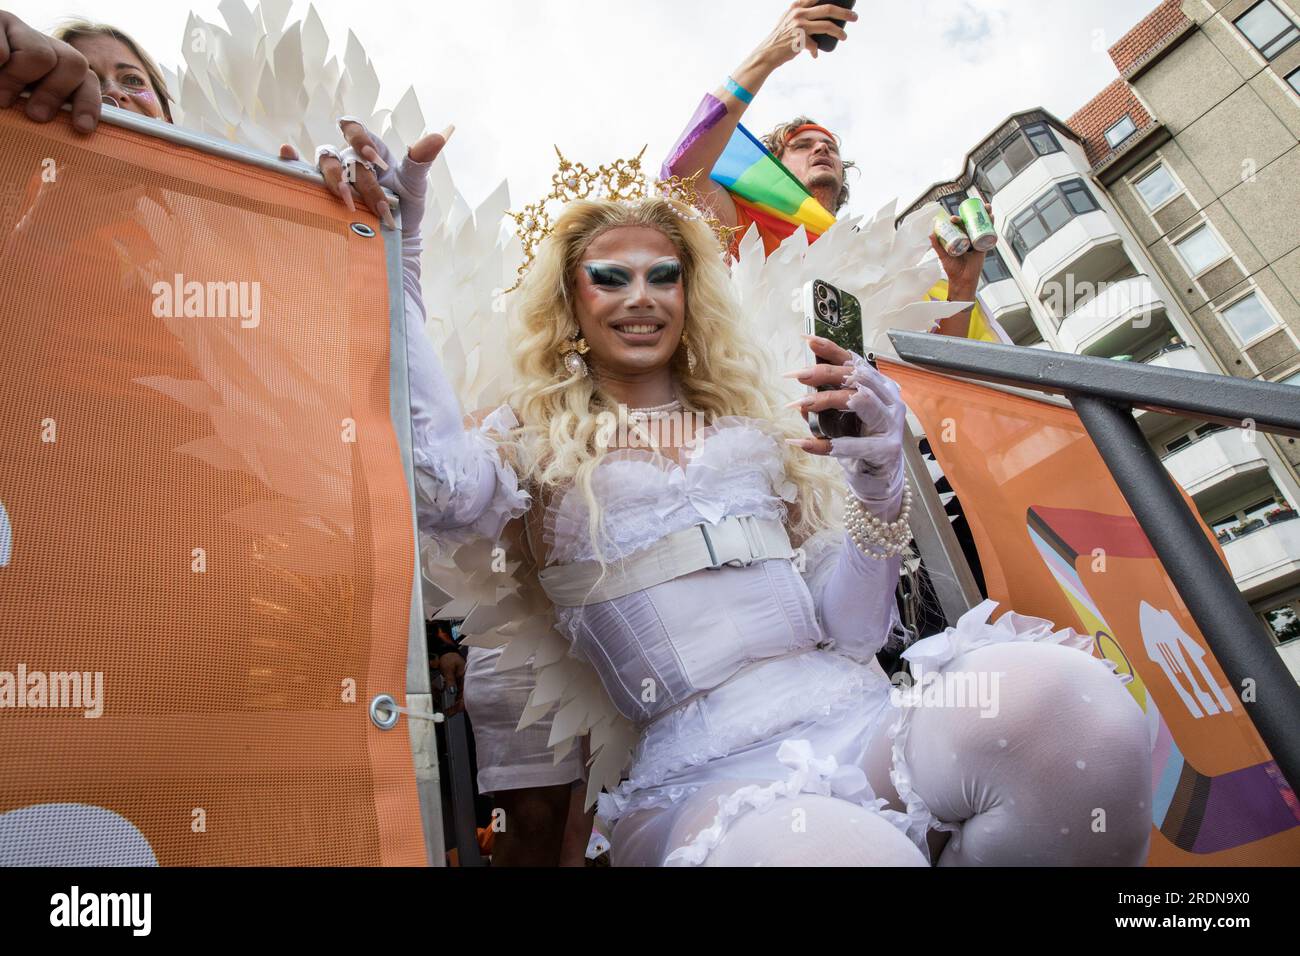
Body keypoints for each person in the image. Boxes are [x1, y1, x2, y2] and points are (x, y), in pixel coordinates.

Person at [396, 162, 1152, 865]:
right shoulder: (527, 436)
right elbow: (437, 489)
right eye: (610, 278)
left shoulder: (755, 425)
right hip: (704, 776)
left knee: (1066, 707)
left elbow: (854, 633)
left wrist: (881, 479)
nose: (641, 296)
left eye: (664, 275)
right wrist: (400, 268)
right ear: (570, 301)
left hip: (855, 717)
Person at [661, 0, 988, 338]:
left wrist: (961, 287)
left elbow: (936, 368)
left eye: (830, 147)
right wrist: (771, 52)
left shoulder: (880, 253)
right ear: (774, 169)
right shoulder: (751, 226)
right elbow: (682, 174)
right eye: (802, 146)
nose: (821, 148)